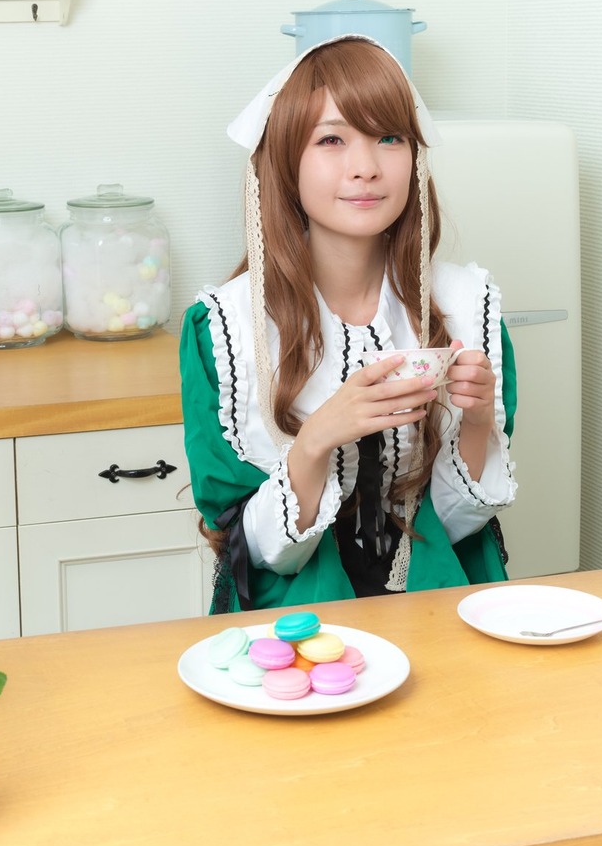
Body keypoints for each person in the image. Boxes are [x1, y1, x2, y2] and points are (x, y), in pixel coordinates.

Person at [179, 34, 518, 613]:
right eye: (332, 139)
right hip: (300, 632)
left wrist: (479, 421)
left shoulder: (467, 305)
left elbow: (462, 527)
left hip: (441, 609)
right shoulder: (227, 330)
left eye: (389, 138)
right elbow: (254, 553)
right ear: (286, 160)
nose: (366, 168)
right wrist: (316, 441)